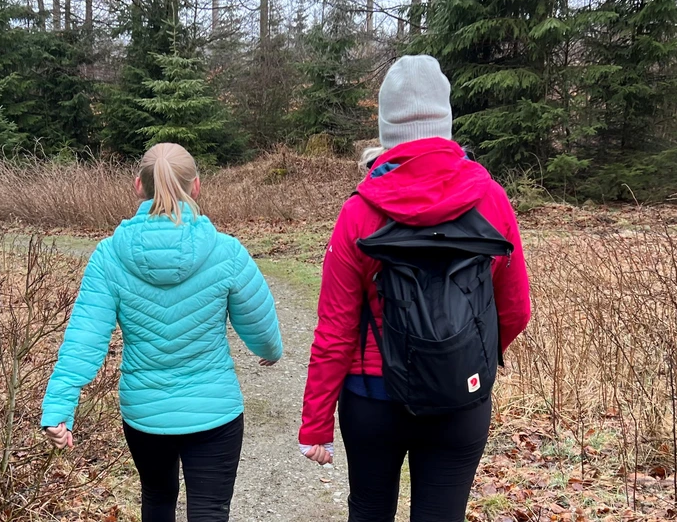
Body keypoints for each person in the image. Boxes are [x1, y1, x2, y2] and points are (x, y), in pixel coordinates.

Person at [298, 55, 533, 522]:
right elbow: (516, 307)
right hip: (459, 395)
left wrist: (316, 423)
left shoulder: (359, 212)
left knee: (369, 509)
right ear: (445, 120)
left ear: (386, 127)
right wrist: (465, 352)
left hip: (373, 397)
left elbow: (337, 329)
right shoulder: (490, 198)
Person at [40, 142, 283, 522]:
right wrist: (268, 348)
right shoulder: (226, 252)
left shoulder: (109, 256)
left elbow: (84, 338)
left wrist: (58, 407)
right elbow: (262, 326)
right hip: (215, 410)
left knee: (157, 499)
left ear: (139, 185)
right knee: (210, 511)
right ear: (197, 187)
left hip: (145, 412)